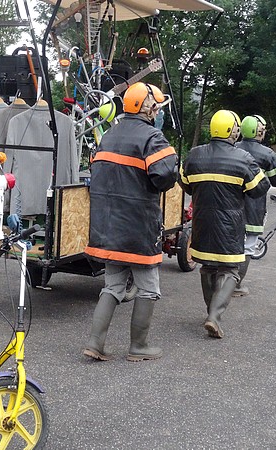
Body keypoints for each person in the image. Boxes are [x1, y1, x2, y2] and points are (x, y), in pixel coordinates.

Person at [84, 82, 178, 362]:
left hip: (108, 227)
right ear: (148, 107)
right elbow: (164, 178)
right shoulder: (153, 138)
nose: (159, 110)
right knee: (149, 288)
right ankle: (139, 346)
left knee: (112, 287)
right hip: (138, 228)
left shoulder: (109, 136)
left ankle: (95, 343)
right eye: (157, 105)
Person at [180, 110, 270, 338]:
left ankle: (210, 312)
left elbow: (184, 183)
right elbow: (260, 188)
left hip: (202, 223)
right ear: (234, 131)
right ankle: (215, 317)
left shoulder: (194, 155)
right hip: (230, 226)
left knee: (208, 268)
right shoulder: (242, 158)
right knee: (229, 270)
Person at [233, 115, 276, 296]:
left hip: (228, 209)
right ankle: (235, 286)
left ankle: (219, 283)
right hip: (252, 210)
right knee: (247, 248)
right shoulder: (266, 153)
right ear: (259, 131)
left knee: (227, 245)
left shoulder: (231, 148)